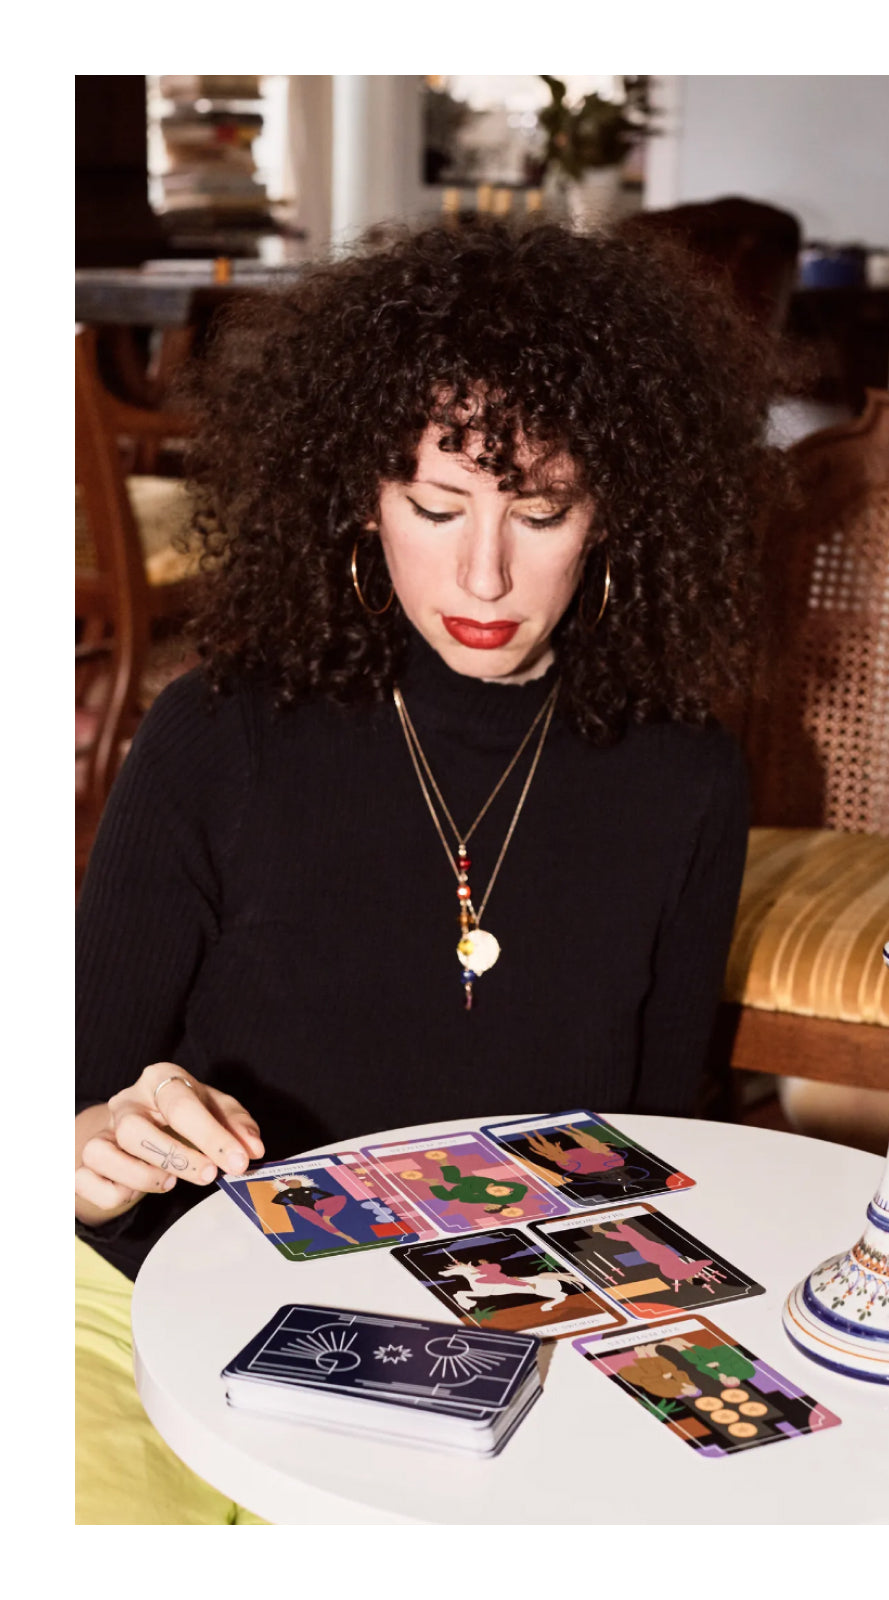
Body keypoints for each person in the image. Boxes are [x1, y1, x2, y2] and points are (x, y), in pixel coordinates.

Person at [75, 219, 782, 1521]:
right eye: (437, 505)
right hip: (150, 1297)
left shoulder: (686, 779)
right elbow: (66, 1102)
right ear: (363, 491)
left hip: (491, 1350)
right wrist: (89, 1143)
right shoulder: (218, 733)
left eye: (543, 510)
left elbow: (650, 1137)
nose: (484, 573)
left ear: (617, 504)